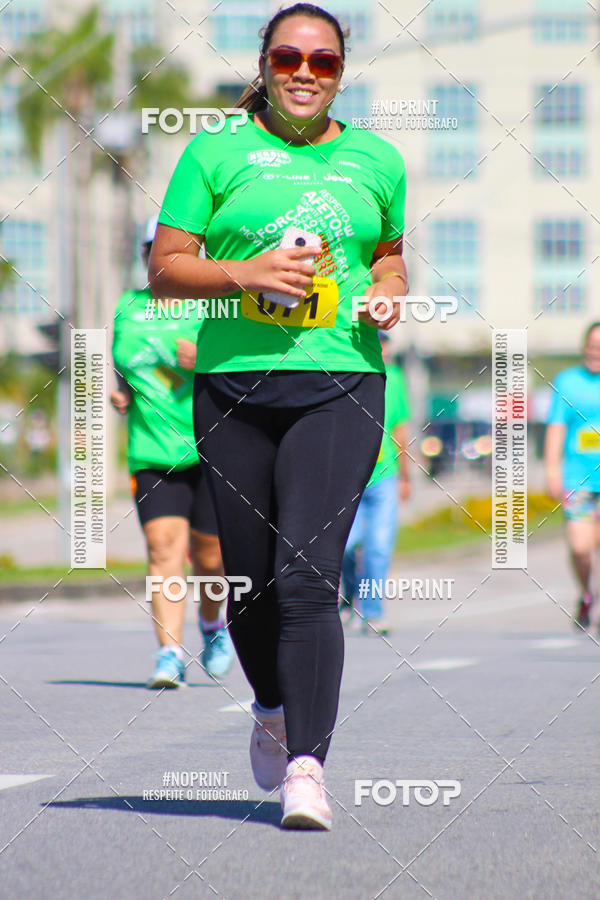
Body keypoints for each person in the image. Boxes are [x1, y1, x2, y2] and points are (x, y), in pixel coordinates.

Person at [149, 2, 407, 829]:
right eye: (289, 57)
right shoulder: (215, 151)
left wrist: (388, 294)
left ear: (340, 73)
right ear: (263, 65)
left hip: (339, 384)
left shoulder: (377, 158)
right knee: (252, 582)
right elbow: (166, 269)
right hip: (235, 389)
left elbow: (392, 256)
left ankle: (307, 766)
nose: (305, 73)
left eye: (323, 62)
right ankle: (271, 704)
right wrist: (246, 272)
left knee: (307, 576)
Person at [111, 217, 234, 687]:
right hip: (152, 449)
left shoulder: (215, 309)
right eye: (150, 252)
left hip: (211, 446)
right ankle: (169, 653)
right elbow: (126, 364)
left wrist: (205, 363)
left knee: (210, 559)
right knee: (163, 550)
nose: (157, 262)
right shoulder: (128, 307)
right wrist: (121, 392)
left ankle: (212, 625)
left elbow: (247, 373)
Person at [341, 333, 411, 635]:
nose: (382, 349)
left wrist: (406, 475)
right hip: (348, 476)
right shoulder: (346, 373)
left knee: (378, 547)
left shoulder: (394, 378)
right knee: (344, 546)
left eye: (385, 344)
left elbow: (400, 427)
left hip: (385, 476)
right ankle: (346, 598)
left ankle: (373, 612)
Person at [545, 321, 600, 631]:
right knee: (580, 546)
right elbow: (556, 426)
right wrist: (552, 469)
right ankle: (587, 592)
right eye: (592, 345)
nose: (596, 352)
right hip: (577, 477)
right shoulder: (567, 381)